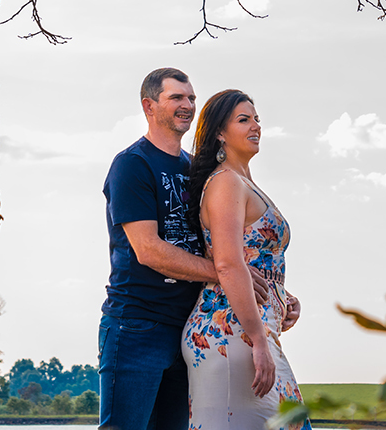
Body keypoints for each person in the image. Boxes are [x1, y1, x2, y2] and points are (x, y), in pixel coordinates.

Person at [99, 68, 285, 430]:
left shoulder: (197, 170)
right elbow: (148, 250)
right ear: (149, 106)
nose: (188, 105)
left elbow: (225, 248)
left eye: (191, 98)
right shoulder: (133, 165)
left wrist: (275, 293)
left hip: (188, 324)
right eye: (176, 97)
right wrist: (231, 276)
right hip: (137, 324)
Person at [182, 89, 309, 430]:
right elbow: (227, 263)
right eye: (243, 120)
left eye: (256, 119)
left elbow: (254, 258)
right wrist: (258, 341)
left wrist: (283, 297)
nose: (255, 126)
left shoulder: (242, 183)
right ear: (220, 133)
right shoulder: (225, 183)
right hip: (232, 334)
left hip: (253, 333)